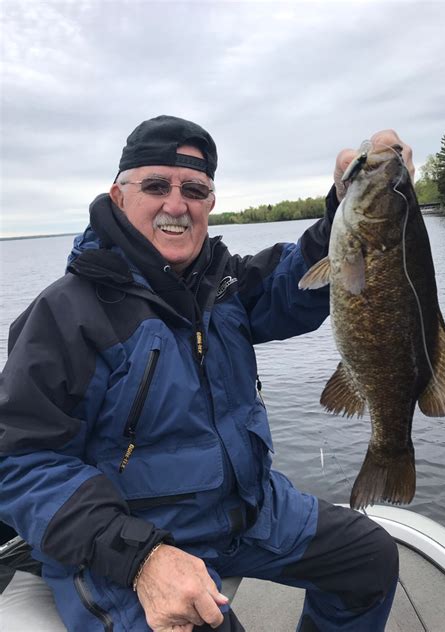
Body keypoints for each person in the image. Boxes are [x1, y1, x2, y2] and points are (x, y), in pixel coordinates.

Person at [0, 115, 413, 632]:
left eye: (194, 189)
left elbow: (301, 285)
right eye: (156, 185)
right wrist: (142, 558)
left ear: (210, 202)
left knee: (368, 559)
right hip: (124, 548)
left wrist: (353, 200)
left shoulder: (223, 284)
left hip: (245, 512)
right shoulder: (66, 314)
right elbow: (20, 462)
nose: (176, 204)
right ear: (118, 194)